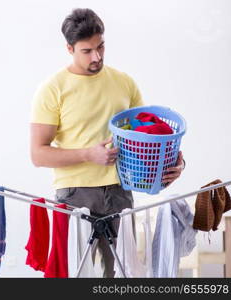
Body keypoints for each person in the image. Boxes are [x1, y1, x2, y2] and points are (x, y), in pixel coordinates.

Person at [30, 8, 185, 278]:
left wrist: (176, 163)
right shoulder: (52, 88)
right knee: (72, 276)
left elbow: (148, 136)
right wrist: (88, 155)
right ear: (69, 49)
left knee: (120, 276)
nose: (97, 56)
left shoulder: (124, 82)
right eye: (87, 51)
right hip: (75, 194)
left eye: (100, 47)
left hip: (120, 190)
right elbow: (38, 154)